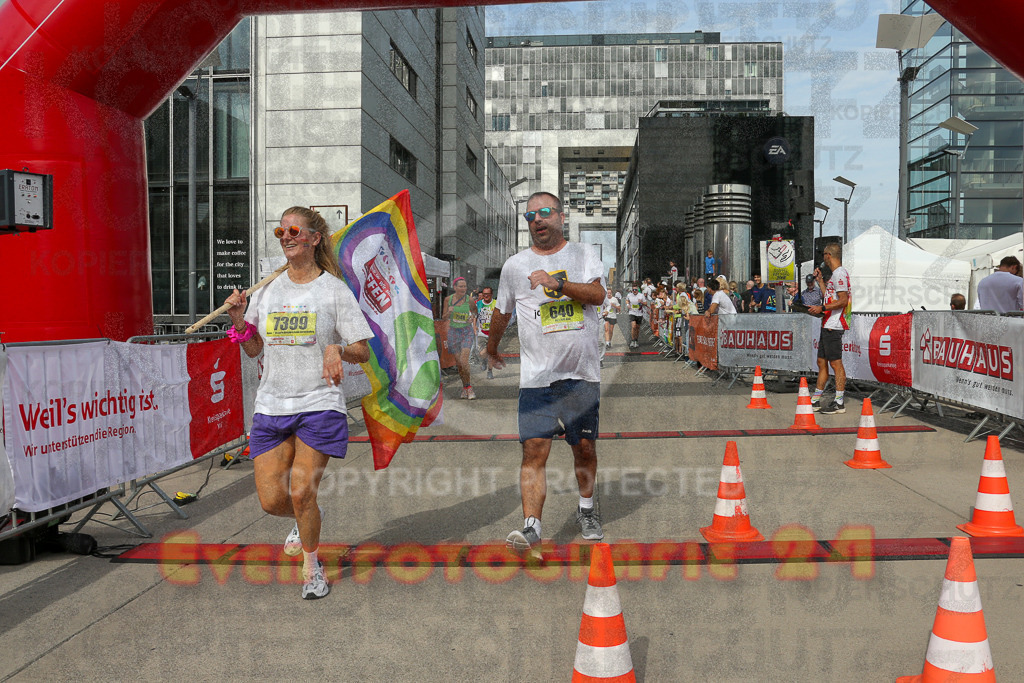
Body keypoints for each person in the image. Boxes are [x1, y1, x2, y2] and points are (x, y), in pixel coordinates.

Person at [225, 206, 372, 600]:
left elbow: (362, 350)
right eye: (281, 232)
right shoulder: (266, 289)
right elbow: (255, 349)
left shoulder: (333, 290)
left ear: (314, 238)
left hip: (319, 403)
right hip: (272, 404)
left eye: (294, 231)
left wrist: (336, 349)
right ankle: (307, 519)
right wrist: (239, 321)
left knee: (302, 492)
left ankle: (312, 568)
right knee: (273, 500)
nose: (286, 237)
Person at [484, 192, 606, 558]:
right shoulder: (515, 266)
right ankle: (532, 527)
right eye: (530, 216)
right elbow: (503, 311)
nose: (537, 219)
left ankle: (587, 509)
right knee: (534, 450)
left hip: (581, 374)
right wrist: (491, 347)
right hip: (537, 378)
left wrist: (558, 284)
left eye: (545, 212)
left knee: (583, 448)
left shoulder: (583, 254)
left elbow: (598, 295)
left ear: (561, 217)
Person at [807, 243, 851, 415]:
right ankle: (816, 399)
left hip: (835, 324)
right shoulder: (835, 275)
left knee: (835, 363)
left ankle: (839, 402)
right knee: (821, 362)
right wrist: (820, 282)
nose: (823, 258)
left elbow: (843, 300)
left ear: (828, 255)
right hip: (827, 323)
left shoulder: (840, 273)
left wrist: (822, 308)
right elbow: (829, 298)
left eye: (824, 254)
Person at [442, 277, 478, 399]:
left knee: (464, 361)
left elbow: (475, 311)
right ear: (455, 287)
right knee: (459, 364)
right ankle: (465, 387)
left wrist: (472, 316)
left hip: (466, 332)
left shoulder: (470, 300)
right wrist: (449, 312)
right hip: (453, 332)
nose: (463, 289)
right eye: (461, 286)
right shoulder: (448, 300)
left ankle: (469, 388)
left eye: (465, 286)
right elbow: (443, 317)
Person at [476, 286, 498, 379]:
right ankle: (483, 361)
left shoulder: (496, 304)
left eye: (488, 294)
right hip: (481, 333)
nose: (485, 296)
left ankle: (490, 371)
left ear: (491, 294)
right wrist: (474, 327)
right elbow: (474, 316)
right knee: (483, 353)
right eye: (484, 294)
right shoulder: (478, 304)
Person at [625, 283, 645, 349]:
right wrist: (628, 305)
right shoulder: (629, 295)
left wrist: (641, 302)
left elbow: (645, 303)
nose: (634, 291)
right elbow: (627, 300)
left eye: (635, 290)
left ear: (638, 289)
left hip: (639, 313)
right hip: (632, 312)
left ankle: (636, 340)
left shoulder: (641, 295)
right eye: (633, 290)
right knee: (633, 326)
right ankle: (632, 340)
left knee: (637, 328)